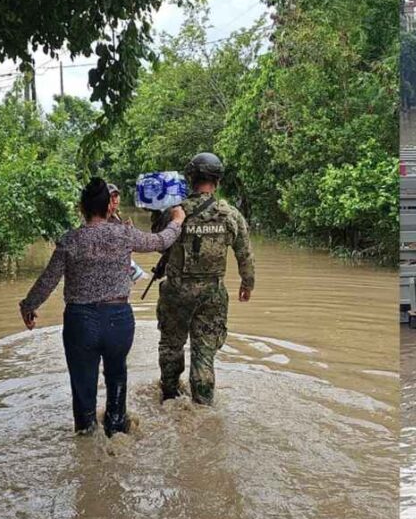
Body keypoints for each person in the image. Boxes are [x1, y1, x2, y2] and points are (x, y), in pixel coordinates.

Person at [20, 178, 185, 436]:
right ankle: (116, 426)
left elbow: (47, 280)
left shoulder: (70, 240)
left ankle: (86, 435)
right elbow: (161, 241)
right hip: (118, 321)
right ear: (109, 206)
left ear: (81, 208)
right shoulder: (124, 234)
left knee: (82, 384)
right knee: (117, 374)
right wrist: (177, 220)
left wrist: (28, 307)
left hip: (80, 323)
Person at [156, 152, 255, 405]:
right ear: (218, 181)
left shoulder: (174, 212)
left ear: (190, 179)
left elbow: (158, 242)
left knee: (171, 347)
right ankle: (203, 408)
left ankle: (170, 399)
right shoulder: (230, 215)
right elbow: (245, 254)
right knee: (204, 355)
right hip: (212, 295)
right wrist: (247, 283)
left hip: (177, 292)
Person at [105, 183, 147, 282]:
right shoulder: (104, 217)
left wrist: (127, 229)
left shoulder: (114, 214)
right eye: (110, 197)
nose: (114, 199)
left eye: (116, 196)